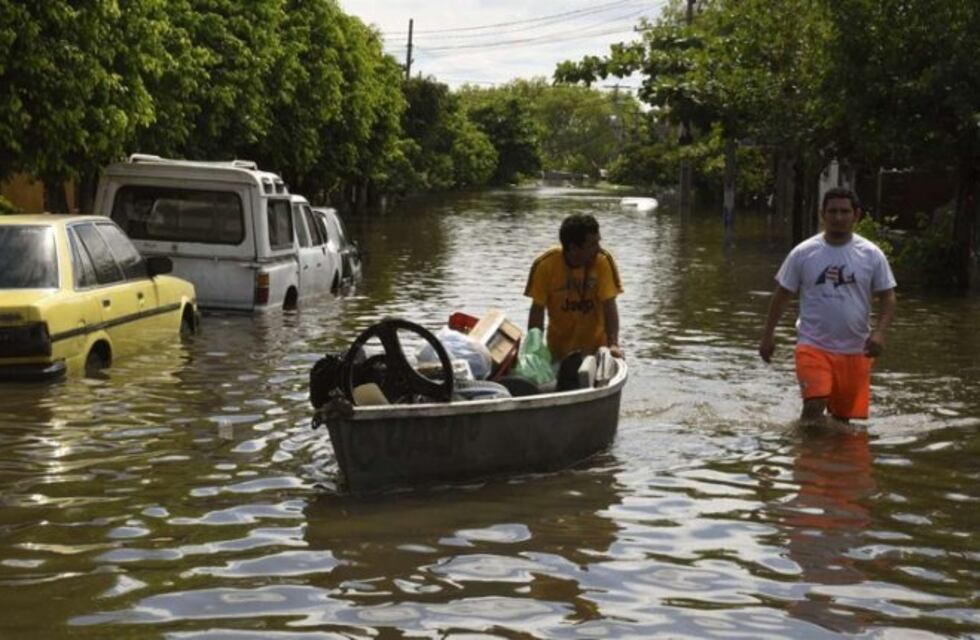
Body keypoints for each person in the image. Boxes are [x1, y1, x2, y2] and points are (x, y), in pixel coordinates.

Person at [759, 186, 897, 424]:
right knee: (814, 404)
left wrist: (880, 333)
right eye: (832, 211)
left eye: (844, 211)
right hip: (813, 344)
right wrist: (767, 335)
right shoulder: (803, 253)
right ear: (822, 214)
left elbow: (888, 296)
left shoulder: (872, 255)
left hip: (855, 348)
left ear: (856, 215)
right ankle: (804, 454)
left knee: (843, 419)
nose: (838, 217)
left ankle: (827, 455)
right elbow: (783, 294)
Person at [525, 214, 623, 362]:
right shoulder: (545, 264)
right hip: (558, 352)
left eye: (598, 242)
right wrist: (535, 348)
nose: (599, 249)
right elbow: (537, 309)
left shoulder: (603, 261)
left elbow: (609, 305)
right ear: (573, 248)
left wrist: (613, 344)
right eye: (592, 245)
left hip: (596, 352)